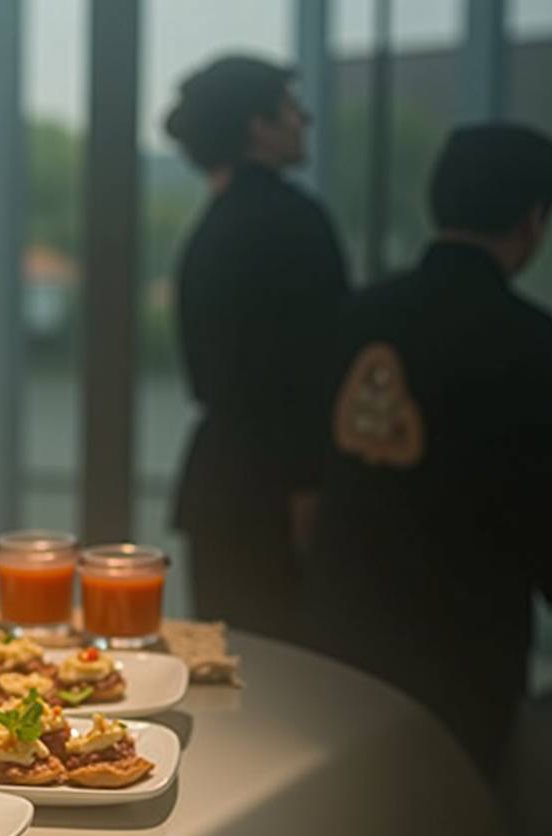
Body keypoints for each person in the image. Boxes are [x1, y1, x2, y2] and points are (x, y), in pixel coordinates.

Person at [306, 124, 552, 777]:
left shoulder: (361, 312)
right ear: (533, 220)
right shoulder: (526, 335)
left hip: (347, 610)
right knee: (460, 808)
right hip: (466, 630)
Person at [162, 56, 350, 643]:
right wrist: (308, 484)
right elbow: (313, 368)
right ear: (257, 127)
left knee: (234, 667)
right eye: (291, 109)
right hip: (283, 488)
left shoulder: (210, 230)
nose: (305, 119)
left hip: (221, 479)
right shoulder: (296, 222)